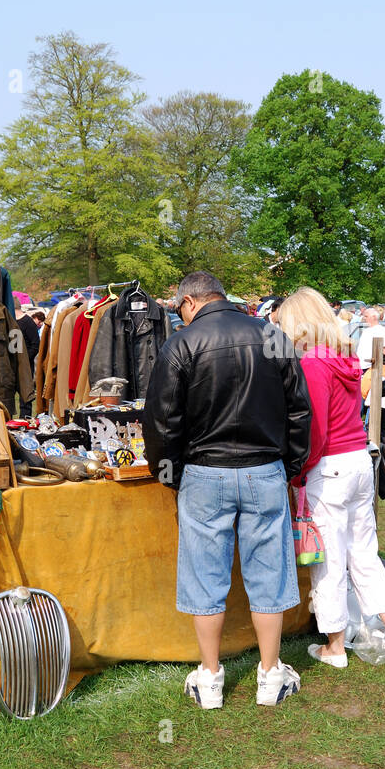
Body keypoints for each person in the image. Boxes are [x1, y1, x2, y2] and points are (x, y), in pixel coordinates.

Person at [143, 270, 313, 710]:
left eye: (179, 308)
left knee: (205, 576)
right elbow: (300, 411)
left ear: (190, 302)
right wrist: (289, 466)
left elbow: (161, 422)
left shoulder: (180, 344)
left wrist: (171, 475)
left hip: (205, 473)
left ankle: (211, 677)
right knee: (268, 573)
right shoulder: (271, 335)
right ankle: (269, 674)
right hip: (262, 469)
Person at [275, 287, 385, 668]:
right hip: (357, 460)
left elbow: (316, 429)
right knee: (364, 554)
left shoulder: (312, 363)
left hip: (331, 467)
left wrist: (299, 472)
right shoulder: (343, 358)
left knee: (330, 562)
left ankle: (335, 646)